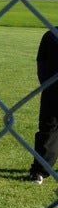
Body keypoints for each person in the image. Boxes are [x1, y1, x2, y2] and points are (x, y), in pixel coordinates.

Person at [28, 28, 58, 183]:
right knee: (48, 128)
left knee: (48, 128)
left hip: (51, 89)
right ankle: (40, 170)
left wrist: (45, 84)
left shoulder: (50, 35)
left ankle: (39, 171)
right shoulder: (51, 35)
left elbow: (41, 63)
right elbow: (41, 61)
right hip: (52, 89)